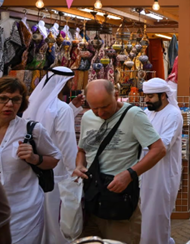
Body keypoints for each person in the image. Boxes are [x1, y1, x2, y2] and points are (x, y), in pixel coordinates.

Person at [74, 80, 167, 244]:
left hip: (118, 198)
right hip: (91, 196)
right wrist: (80, 165)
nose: (100, 113)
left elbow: (159, 149)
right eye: (95, 107)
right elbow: (82, 150)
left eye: (105, 106)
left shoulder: (134, 115)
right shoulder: (88, 117)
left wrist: (130, 174)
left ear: (116, 96)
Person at [0, 77, 61, 243]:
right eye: (3, 98)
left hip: (24, 210)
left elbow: (54, 158)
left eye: (16, 99)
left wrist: (34, 158)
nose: (10, 104)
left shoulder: (32, 130)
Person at [23, 67, 79, 244]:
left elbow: (47, 125)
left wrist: (73, 108)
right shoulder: (61, 109)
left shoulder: (33, 104)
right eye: (70, 81)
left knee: (39, 214)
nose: (72, 85)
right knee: (54, 216)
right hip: (57, 171)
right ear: (63, 82)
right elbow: (66, 142)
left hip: (35, 167)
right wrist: (74, 170)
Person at [140, 78, 183, 244]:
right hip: (146, 171)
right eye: (146, 96)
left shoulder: (173, 114)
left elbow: (163, 145)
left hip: (163, 174)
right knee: (146, 214)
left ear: (163, 95)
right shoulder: (147, 113)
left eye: (151, 97)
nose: (147, 100)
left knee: (158, 215)